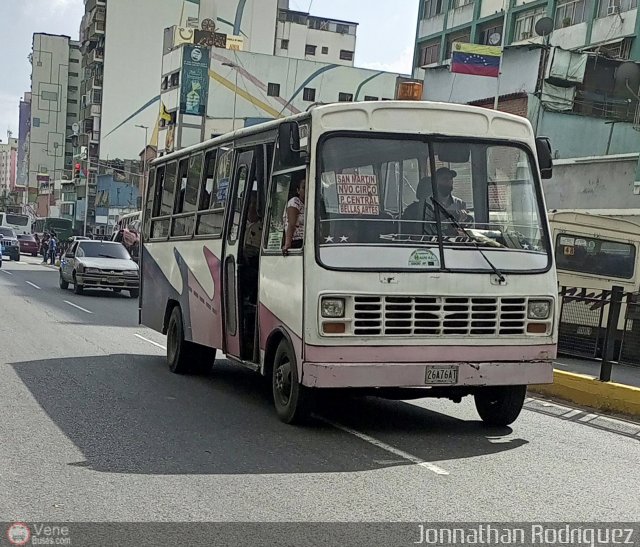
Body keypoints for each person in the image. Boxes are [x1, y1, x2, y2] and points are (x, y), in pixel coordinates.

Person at [282, 175, 305, 254]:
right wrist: (287, 244)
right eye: (304, 188)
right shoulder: (295, 202)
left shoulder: (309, 205)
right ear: (298, 191)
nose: (307, 190)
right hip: (296, 241)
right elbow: (291, 224)